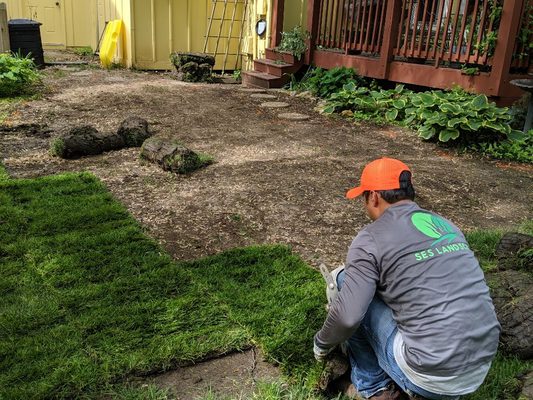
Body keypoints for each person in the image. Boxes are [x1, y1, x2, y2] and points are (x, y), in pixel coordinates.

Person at [313, 157, 501, 400]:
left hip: (431, 375)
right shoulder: (445, 225)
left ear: (373, 197)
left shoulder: (370, 238)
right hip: (480, 364)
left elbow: (348, 317)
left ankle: (374, 387)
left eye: (363, 198)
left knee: (345, 281)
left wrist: (321, 343)